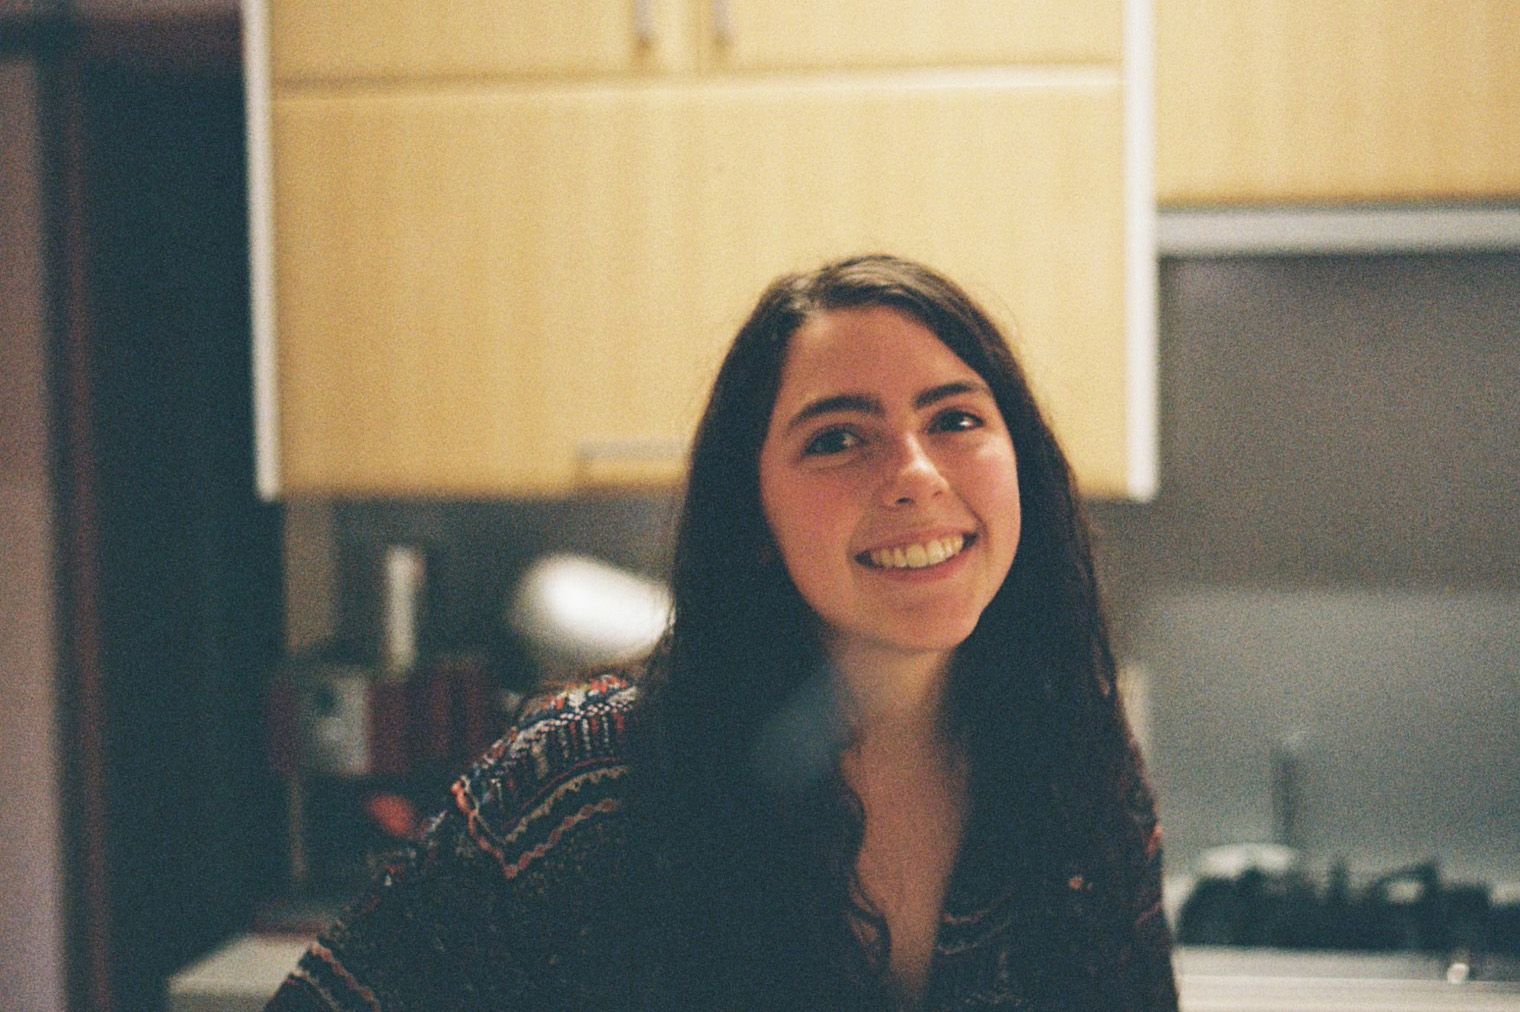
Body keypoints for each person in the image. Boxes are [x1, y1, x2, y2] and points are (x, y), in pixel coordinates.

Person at [269, 254, 1177, 1010]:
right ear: (753, 516)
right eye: (837, 439)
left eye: (956, 420)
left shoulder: (1080, 763)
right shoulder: (583, 784)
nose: (914, 473)